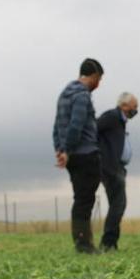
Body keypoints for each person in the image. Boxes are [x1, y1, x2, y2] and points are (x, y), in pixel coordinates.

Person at [53, 57, 103, 253]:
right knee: (85, 199)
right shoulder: (82, 96)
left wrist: (60, 149)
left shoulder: (64, 94)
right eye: (99, 79)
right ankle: (83, 244)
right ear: (93, 76)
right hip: (85, 153)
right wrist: (67, 149)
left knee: (80, 197)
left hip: (73, 156)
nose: (98, 84)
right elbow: (76, 124)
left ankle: (84, 241)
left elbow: (56, 126)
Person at [96, 92, 139, 251]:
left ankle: (111, 242)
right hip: (110, 167)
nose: (136, 110)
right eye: (134, 106)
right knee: (119, 204)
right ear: (124, 105)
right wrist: (103, 154)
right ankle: (108, 243)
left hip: (117, 167)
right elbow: (94, 128)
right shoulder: (112, 116)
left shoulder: (120, 121)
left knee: (117, 205)